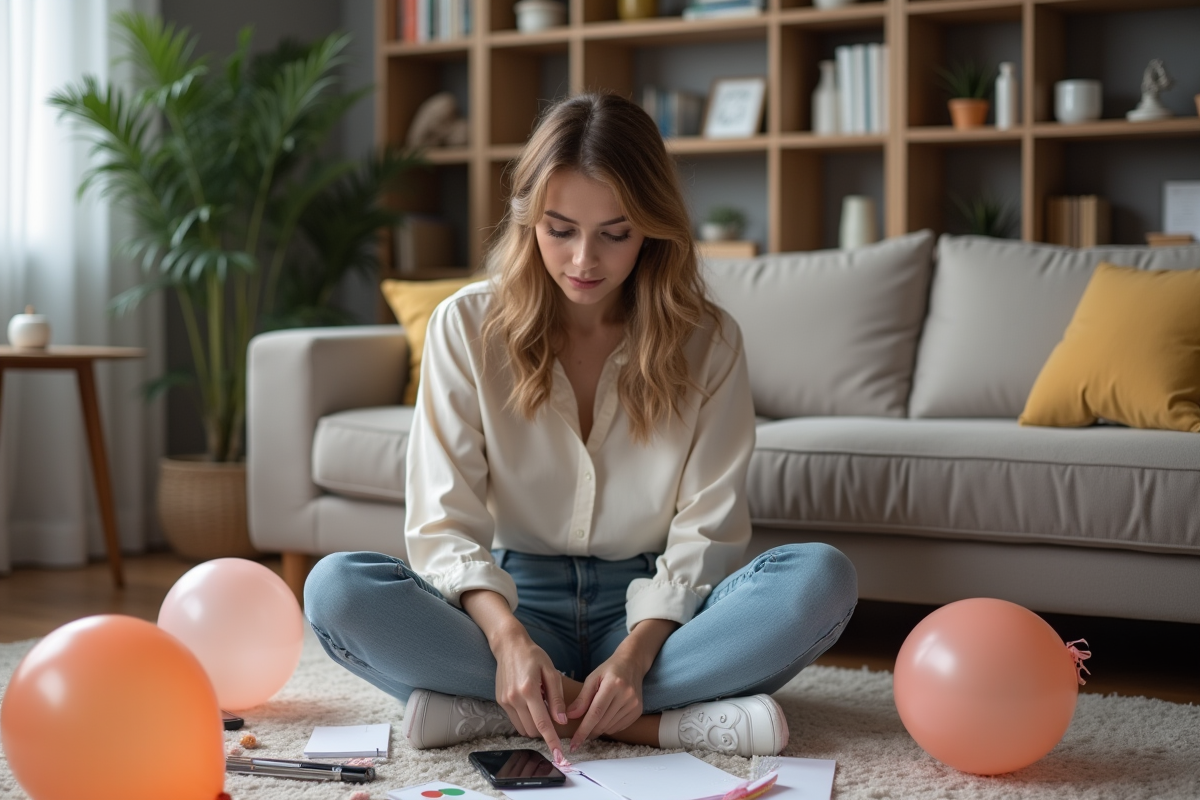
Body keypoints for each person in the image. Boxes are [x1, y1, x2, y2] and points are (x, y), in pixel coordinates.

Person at [304, 92, 858, 763]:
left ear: (652, 228)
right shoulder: (467, 326)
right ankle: (646, 723)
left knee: (820, 579)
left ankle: (499, 710)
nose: (583, 261)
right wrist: (508, 642)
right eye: (559, 229)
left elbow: (708, 526)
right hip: (513, 598)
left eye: (615, 233)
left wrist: (635, 654)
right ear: (528, 221)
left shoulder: (709, 341)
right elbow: (443, 522)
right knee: (336, 590)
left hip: (655, 611)